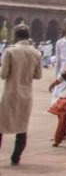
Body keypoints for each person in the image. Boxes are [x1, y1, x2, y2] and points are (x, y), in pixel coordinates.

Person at [1, 25, 42, 165]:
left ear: (16, 36)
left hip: (11, 93)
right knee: (22, 127)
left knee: (1, 125)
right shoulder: (36, 53)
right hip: (26, 93)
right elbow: (38, 75)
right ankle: (15, 158)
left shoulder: (10, 51)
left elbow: (3, 74)